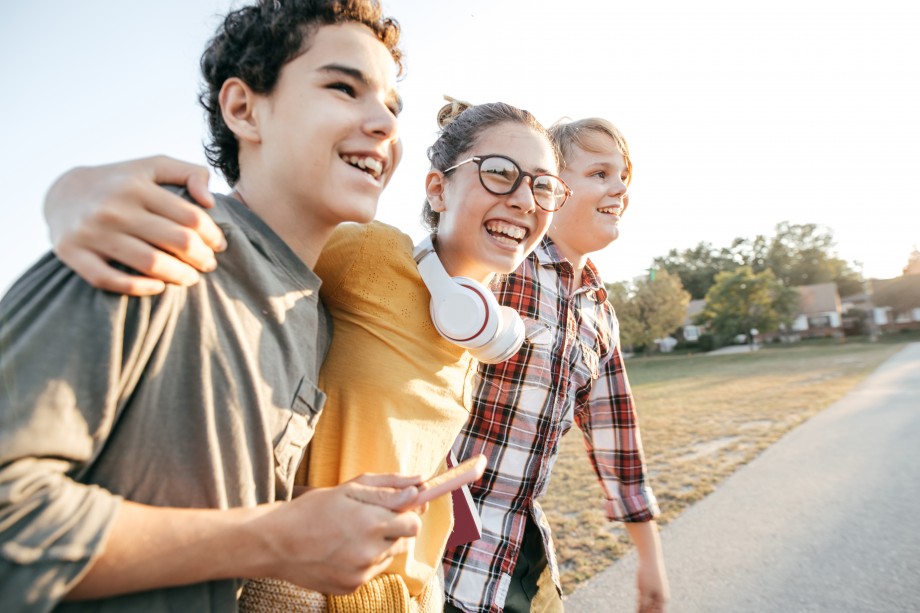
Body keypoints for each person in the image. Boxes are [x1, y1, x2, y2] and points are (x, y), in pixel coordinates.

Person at [40, 119, 668, 611]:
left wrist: (647, 554)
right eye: (501, 173)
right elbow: (254, 241)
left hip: (435, 584)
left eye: (541, 186)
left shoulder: (516, 322)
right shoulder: (375, 255)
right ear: (438, 186)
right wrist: (72, 190)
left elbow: (613, 430)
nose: (524, 200)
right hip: (310, 584)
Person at [0, 1, 426, 610]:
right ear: (243, 108)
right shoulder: (153, 238)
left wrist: (314, 520)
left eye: (391, 104)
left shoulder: (316, 316)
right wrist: (272, 539)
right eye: (342, 87)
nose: (383, 122)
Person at [443, 117, 669, 613]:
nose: (621, 189)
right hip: (444, 549)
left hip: (522, 549)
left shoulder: (598, 309)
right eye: (601, 174)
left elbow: (616, 435)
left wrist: (650, 559)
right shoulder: (500, 263)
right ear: (553, 189)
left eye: (624, 177)